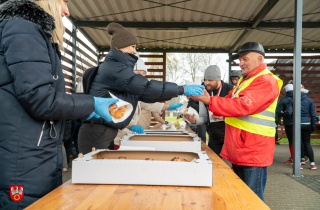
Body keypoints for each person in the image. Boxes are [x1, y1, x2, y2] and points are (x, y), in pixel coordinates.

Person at [0, 0, 119, 209]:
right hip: (23, 161)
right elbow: (40, 99)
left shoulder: (28, 29)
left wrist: (83, 111)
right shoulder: (23, 27)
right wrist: (91, 104)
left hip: (35, 156)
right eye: (64, 1)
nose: (67, 11)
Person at [78, 22, 204, 154]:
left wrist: (173, 94)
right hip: (96, 132)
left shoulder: (116, 67)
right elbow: (147, 87)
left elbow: (143, 95)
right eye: (132, 46)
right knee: (94, 172)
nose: (135, 51)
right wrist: (182, 89)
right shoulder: (115, 68)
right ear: (121, 46)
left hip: (103, 130)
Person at [190, 42, 283, 201]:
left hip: (253, 150)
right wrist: (212, 103)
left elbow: (242, 105)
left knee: (252, 199)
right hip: (242, 148)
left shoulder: (266, 80)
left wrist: (209, 101)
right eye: (240, 59)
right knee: (241, 196)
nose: (241, 63)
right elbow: (228, 100)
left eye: (245, 59)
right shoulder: (245, 81)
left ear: (260, 59)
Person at [112, 58, 183, 150]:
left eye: (143, 75)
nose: (140, 77)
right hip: (119, 138)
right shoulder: (119, 89)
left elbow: (148, 104)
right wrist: (130, 125)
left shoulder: (134, 90)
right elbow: (117, 113)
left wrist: (168, 107)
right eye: (138, 73)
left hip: (129, 136)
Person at [184, 65, 234, 156]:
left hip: (230, 136)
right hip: (213, 136)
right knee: (213, 164)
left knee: (236, 168)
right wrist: (195, 121)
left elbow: (239, 112)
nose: (207, 83)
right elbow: (204, 117)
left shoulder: (230, 89)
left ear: (219, 79)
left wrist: (224, 116)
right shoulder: (204, 90)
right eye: (206, 79)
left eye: (210, 80)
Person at [280, 86, 317, 170]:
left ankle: (300, 163)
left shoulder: (292, 100)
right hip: (306, 123)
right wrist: (313, 126)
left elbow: (289, 113)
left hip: (295, 124)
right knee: (307, 143)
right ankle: (312, 164)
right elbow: (313, 114)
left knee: (298, 143)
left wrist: (284, 114)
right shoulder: (309, 100)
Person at [276, 84, 294, 163]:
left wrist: (284, 114)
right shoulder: (300, 97)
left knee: (291, 140)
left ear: (286, 90)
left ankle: (293, 158)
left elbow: (279, 112)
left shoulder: (283, 99)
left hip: (288, 122)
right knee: (301, 140)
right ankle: (302, 158)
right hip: (302, 122)